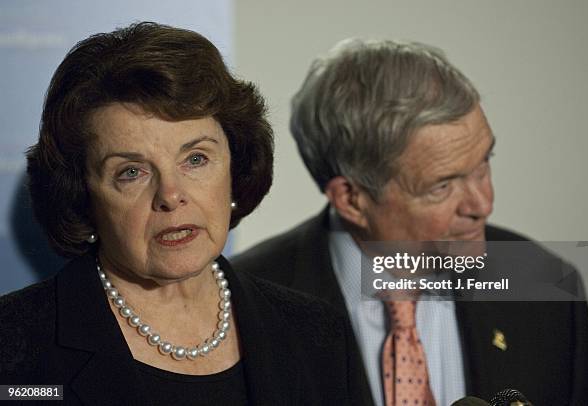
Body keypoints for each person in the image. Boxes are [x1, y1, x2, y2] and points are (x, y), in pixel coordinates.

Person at [0, 23, 362, 405]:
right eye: (131, 172)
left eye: (195, 158)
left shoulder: (318, 334)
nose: (171, 196)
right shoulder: (14, 348)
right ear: (82, 196)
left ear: (234, 168)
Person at [232, 39, 588, 405]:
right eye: (442, 186)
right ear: (352, 199)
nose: (483, 203)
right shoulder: (243, 308)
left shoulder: (546, 286)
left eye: (482, 165)